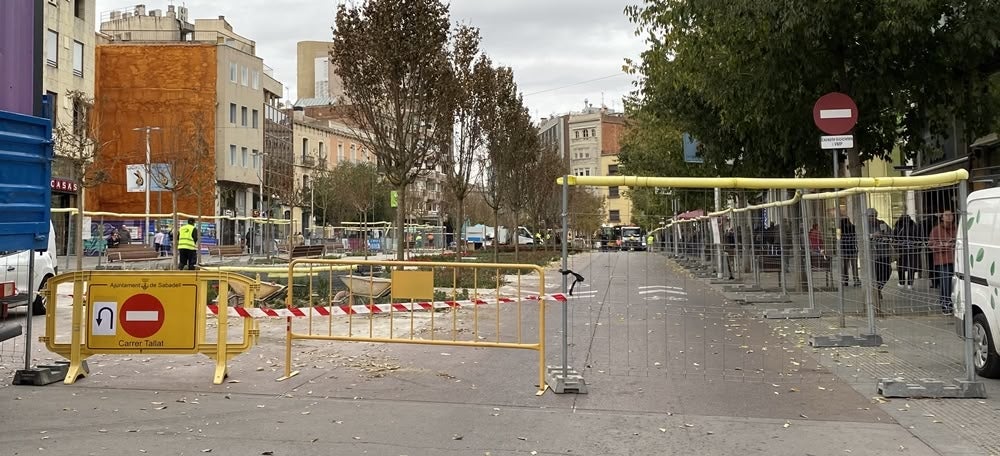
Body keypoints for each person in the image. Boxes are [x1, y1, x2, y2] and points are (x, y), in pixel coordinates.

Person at [929, 210, 956, 314]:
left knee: (955, 283)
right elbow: (931, 244)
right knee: (945, 283)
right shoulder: (936, 230)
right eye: (946, 215)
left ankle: (954, 303)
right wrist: (944, 246)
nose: (949, 217)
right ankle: (946, 304)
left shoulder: (957, 228)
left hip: (956, 260)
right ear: (942, 217)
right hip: (942, 260)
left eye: (951, 215)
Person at [866, 208, 892, 302]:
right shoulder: (864, 225)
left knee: (887, 272)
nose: (873, 218)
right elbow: (861, 236)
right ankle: (876, 291)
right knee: (875, 273)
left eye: (874, 216)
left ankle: (878, 289)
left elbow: (890, 233)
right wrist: (872, 235)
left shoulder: (881, 223)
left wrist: (885, 236)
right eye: (870, 216)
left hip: (884, 252)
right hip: (873, 254)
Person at [892, 215, 921, 289]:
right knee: (911, 267)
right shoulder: (914, 226)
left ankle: (901, 283)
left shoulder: (898, 226)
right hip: (913, 250)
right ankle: (910, 284)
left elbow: (894, 238)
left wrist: (896, 249)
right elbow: (919, 238)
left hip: (901, 250)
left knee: (901, 267)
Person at [839, 217, 859, 287]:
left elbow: (838, 239)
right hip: (852, 249)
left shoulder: (839, 229)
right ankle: (856, 280)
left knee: (845, 266)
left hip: (844, 249)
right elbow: (856, 237)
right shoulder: (853, 227)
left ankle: (845, 280)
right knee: (854, 266)